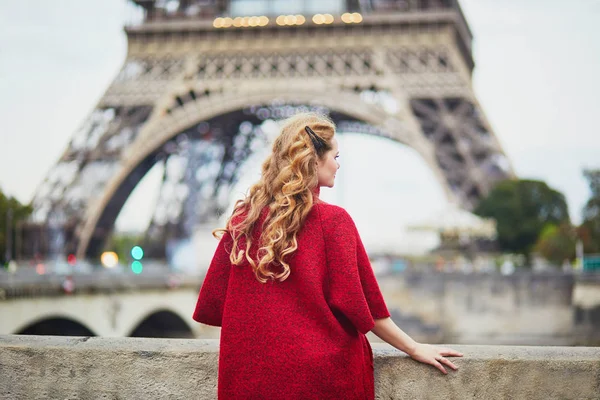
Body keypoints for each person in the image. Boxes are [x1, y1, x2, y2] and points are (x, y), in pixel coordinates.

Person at [193, 112, 462, 400]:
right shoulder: (333, 220)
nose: (338, 164)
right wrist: (414, 347)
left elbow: (214, 303)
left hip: (250, 378)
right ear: (314, 158)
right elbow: (366, 310)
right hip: (319, 378)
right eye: (335, 155)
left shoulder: (244, 219)